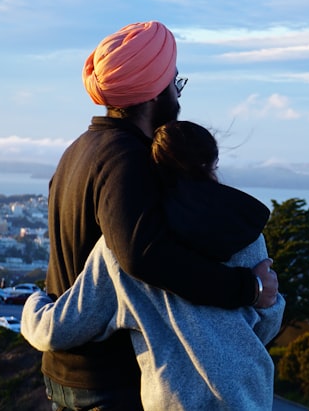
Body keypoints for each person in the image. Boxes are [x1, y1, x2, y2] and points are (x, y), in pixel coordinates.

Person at [40, 21, 278, 410]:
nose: (178, 95)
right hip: (109, 380)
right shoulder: (128, 159)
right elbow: (143, 255)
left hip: (67, 369)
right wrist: (246, 288)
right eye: (175, 84)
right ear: (154, 95)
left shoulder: (78, 150)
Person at [24, 121, 284, 410]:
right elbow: (266, 322)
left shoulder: (120, 248)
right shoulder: (245, 233)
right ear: (211, 165)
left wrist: (33, 301)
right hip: (248, 398)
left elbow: (60, 329)